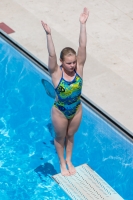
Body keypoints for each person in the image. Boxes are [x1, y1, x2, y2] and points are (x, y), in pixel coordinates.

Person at [41, 7, 89, 176]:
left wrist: (82, 24)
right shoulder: (56, 73)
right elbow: (52, 55)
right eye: (69, 63)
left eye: (74, 62)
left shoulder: (79, 69)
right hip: (60, 111)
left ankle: (69, 159)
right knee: (60, 138)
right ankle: (62, 162)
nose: (73, 65)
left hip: (76, 109)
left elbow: (82, 46)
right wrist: (48, 35)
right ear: (62, 62)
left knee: (71, 135)